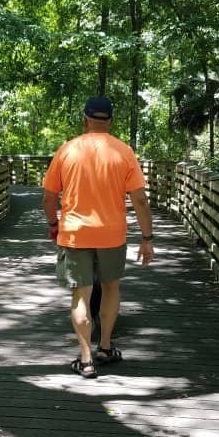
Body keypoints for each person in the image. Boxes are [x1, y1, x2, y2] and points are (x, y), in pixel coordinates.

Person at [42, 94, 154, 379]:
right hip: (112, 235)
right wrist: (147, 238)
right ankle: (105, 346)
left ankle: (86, 359)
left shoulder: (67, 150)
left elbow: (48, 197)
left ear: (85, 119)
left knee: (81, 294)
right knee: (111, 289)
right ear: (111, 121)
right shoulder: (124, 152)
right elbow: (140, 200)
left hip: (75, 233)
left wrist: (53, 223)